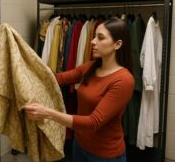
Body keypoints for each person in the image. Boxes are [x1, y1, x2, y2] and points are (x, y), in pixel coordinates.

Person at [23, 17, 134, 162]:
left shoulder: (124, 80)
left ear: (117, 44)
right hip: (80, 146)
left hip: (105, 155)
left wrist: (47, 113)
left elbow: (93, 122)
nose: (93, 42)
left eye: (100, 38)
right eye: (94, 37)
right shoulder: (90, 67)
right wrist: (24, 66)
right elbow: (57, 78)